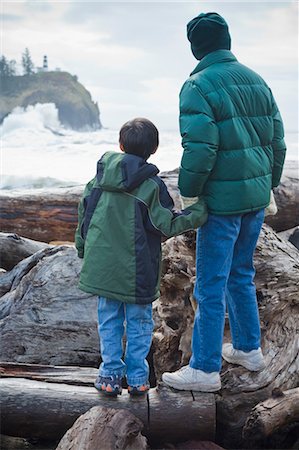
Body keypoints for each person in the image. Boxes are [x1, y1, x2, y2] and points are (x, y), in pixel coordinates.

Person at [162, 12, 286, 392]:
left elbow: (199, 148)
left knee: (210, 284)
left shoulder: (197, 85)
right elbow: (277, 144)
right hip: (253, 198)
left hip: (221, 203)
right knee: (241, 274)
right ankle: (249, 348)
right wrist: (268, 186)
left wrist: (190, 192)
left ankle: (204, 369)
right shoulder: (257, 80)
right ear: (227, 41)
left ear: (196, 47)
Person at [75, 118, 207, 396]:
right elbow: (166, 225)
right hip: (138, 271)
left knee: (109, 320)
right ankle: (137, 378)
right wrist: (199, 214)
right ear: (154, 149)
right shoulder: (150, 186)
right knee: (139, 322)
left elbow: (84, 220)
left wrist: (82, 249)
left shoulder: (97, 180)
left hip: (102, 268)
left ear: (120, 145)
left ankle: (109, 375)